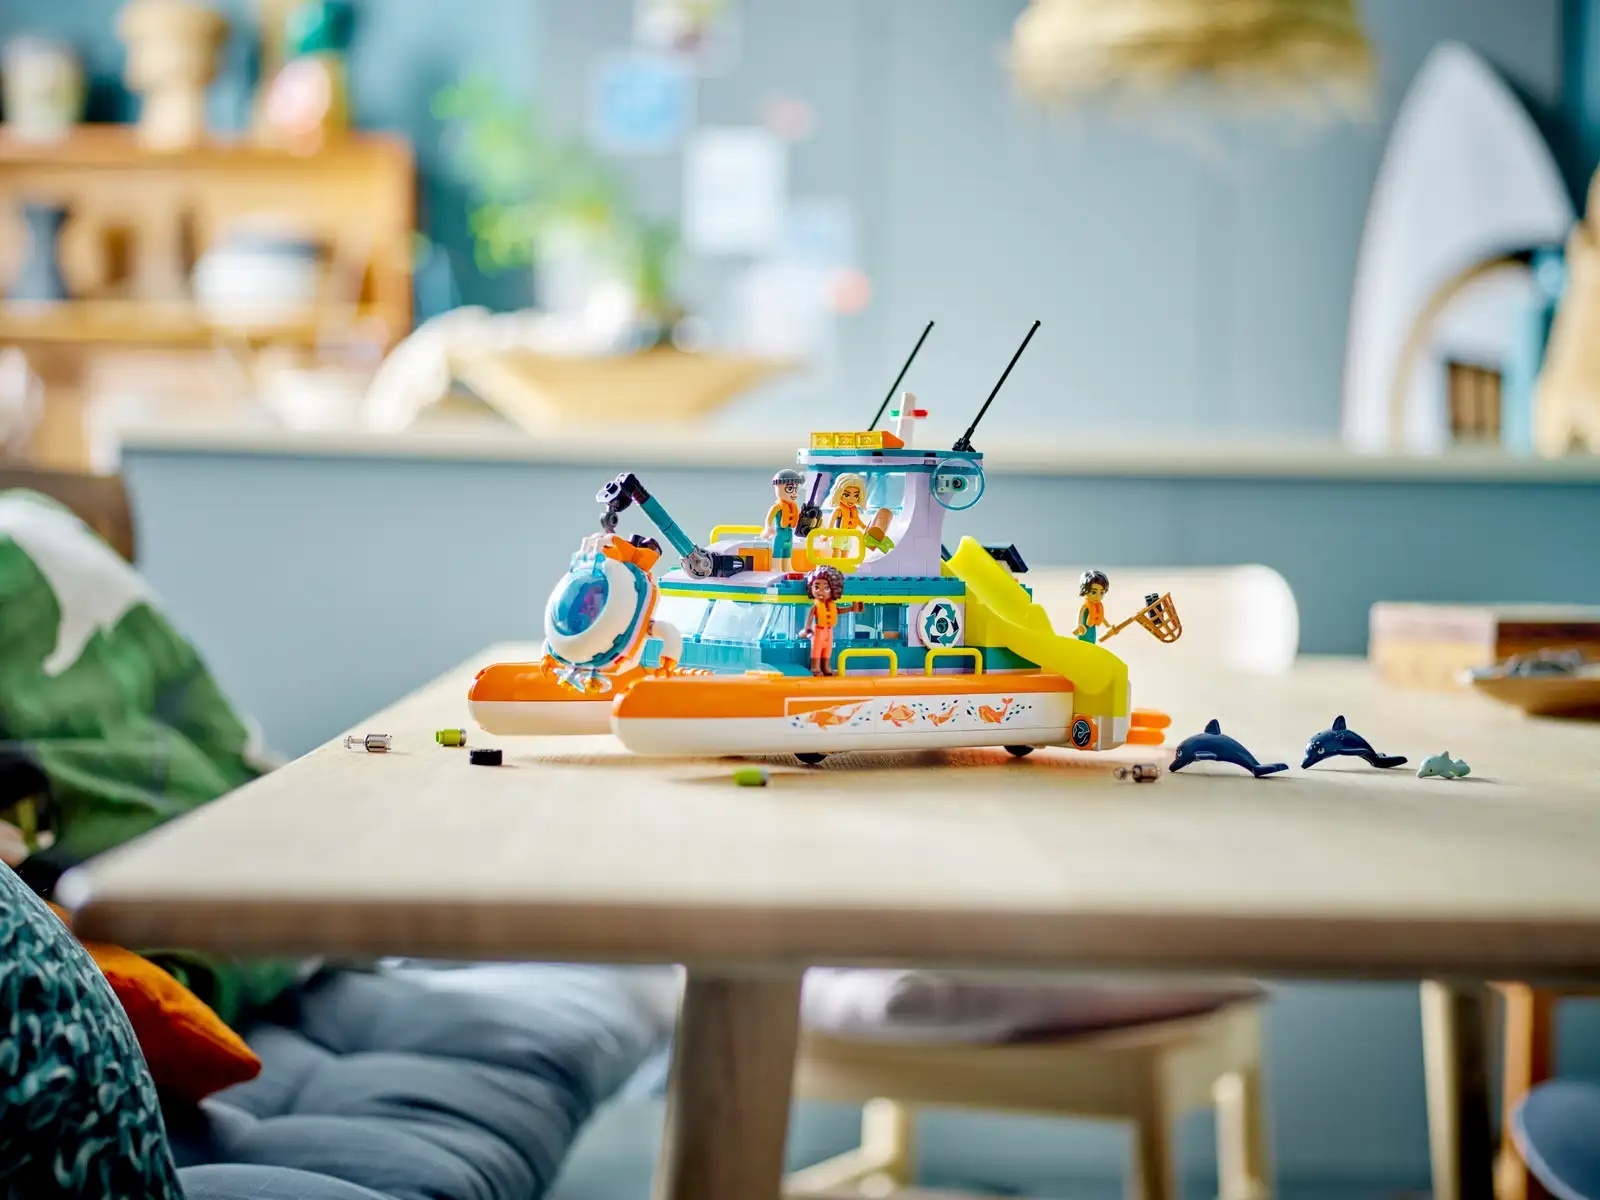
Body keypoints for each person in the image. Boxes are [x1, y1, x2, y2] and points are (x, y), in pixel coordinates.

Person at [801, 565, 861, 676]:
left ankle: (826, 667)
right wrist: (807, 628)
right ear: (811, 588)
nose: (821, 592)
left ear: (833, 590)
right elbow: (809, 618)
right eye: (816, 588)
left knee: (827, 650)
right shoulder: (815, 606)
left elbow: (838, 611)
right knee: (816, 650)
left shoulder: (831, 604)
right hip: (818, 631)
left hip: (829, 631)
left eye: (826, 589)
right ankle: (815, 667)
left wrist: (851, 608)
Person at [763, 468, 805, 572]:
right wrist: (768, 528)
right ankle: (776, 567)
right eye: (790, 489)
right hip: (779, 532)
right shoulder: (777, 507)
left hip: (789, 532)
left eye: (796, 489)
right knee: (777, 549)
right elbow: (769, 518)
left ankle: (787, 567)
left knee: (788, 550)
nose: (794, 493)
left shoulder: (793, 507)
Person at [826, 472, 868, 559]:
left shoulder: (853, 511)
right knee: (836, 553)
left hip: (848, 536)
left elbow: (857, 521)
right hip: (838, 535)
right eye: (846, 495)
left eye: (856, 495)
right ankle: (833, 566)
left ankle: (844, 566)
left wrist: (865, 528)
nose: (851, 499)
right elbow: (832, 522)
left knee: (846, 553)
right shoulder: (839, 510)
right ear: (839, 494)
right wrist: (827, 534)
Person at [1073, 569, 1110, 643]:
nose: (1098, 597)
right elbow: (1080, 614)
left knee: (1092, 643)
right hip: (1083, 631)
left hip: (1092, 631)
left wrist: (1108, 626)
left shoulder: (1097, 606)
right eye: (1093, 592)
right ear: (1084, 590)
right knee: (1083, 644)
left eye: (1101, 593)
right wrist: (1079, 625)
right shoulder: (1085, 606)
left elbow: (1101, 617)